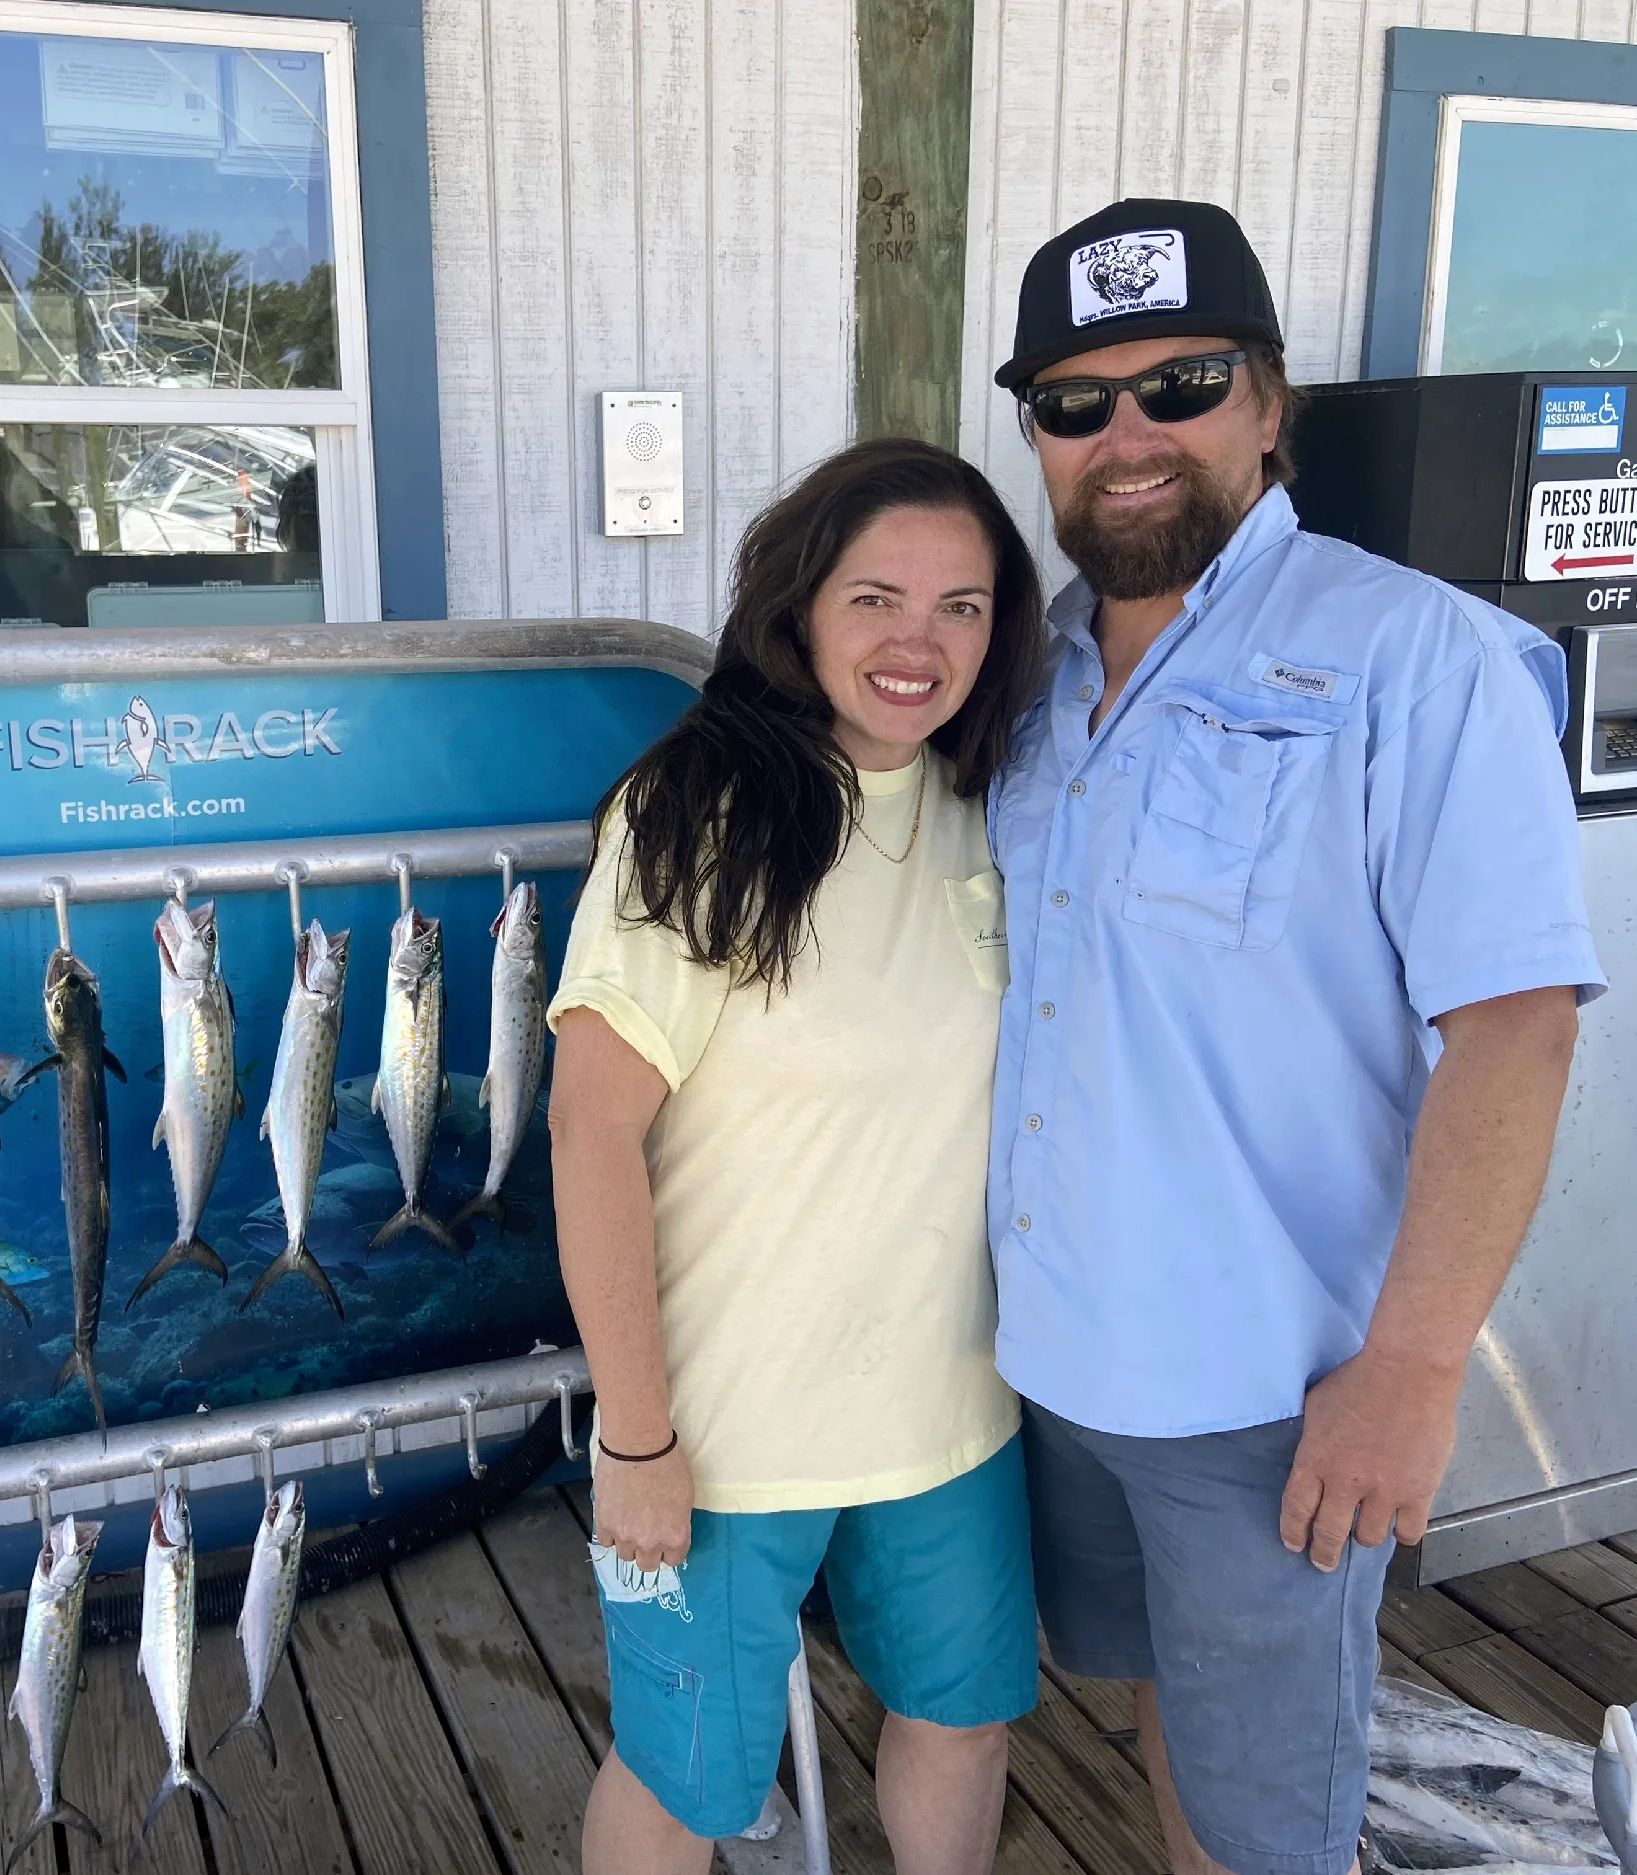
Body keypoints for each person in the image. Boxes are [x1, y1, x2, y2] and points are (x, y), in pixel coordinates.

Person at [985, 199, 1606, 1875]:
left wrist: (1407, 1371)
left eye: (1178, 383)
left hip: (1273, 1398)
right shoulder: (1019, 680)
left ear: (1269, 403)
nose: (1127, 437)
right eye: (1073, 400)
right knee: (1160, 1714)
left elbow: (1518, 1028)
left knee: (1276, 1819)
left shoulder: (1418, 657)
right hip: (1045, 1365)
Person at [549, 436, 1047, 1875]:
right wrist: (636, 1435)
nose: (920, 642)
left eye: (963, 606)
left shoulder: (984, 805)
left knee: (962, 1717)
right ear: (799, 606)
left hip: (952, 1410)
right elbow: (591, 1129)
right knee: (684, 1778)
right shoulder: (696, 813)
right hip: (722, 1440)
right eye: (877, 596)